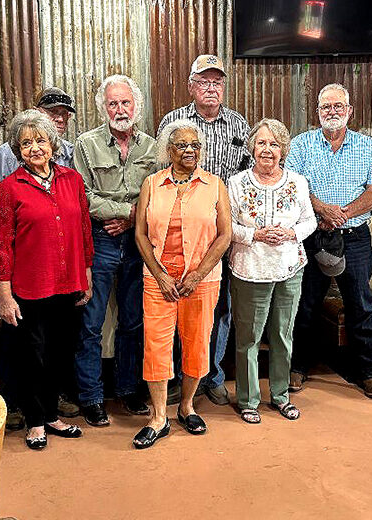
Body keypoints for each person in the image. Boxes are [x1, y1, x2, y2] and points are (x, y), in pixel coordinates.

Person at [0, 109, 94, 450]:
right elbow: (2, 243)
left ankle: (52, 415)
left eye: (41, 140)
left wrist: (88, 273)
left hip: (69, 282)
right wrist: (5, 295)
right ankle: (34, 421)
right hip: (29, 287)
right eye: (27, 143)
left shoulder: (72, 180)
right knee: (31, 355)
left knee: (61, 352)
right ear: (17, 150)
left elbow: (83, 231)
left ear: (53, 143)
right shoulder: (10, 188)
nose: (36, 148)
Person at [132, 119, 231, 448]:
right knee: (156, 346)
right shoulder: (152, 183)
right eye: (182, 145)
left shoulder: (215, 185)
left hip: (201, 281)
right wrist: (160, 274)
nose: (190, 150)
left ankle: (186, 406)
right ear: (168, 150)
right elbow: (141, 235)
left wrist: (198, 274)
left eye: (195, 145)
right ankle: (158, 416)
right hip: (158, 280)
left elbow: (225, 235)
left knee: (197, 343)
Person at [157, 54, 249, 406]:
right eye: (204, 81)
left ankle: (211, 374)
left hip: (221, 235)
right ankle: (183, 376)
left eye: (217, 82)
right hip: (179, 233)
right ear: (191, 86)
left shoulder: (239, 125)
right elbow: (158, 173)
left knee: (219, 308)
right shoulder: (173, 121)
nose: (211, 88)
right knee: (180, 304)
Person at [287, 83, 372, 399]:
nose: (332, 111)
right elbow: (294, 186)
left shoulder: (367, 146)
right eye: (326, 107)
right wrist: (323, 210)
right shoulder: (300, 145)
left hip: (355, 237)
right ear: (317, 112)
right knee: (305, 305)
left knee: (361, 305)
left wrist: (342, 214)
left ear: (349, 110)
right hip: (312, 237)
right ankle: (298, 367)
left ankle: (369, 373)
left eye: (338, 106)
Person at [73, 75, 158, 427]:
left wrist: (130, 220)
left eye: (125, 102)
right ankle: (91, 397)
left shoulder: (152, 147)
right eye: (112, 103)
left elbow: (156, 194)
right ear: (103, 108)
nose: (119, 109)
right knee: (90, 324)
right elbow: (83, 196)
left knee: (133, 321)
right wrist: (127, 213)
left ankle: (128, 390)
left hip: (139, 243)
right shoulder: (86, 144)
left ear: (135, 106)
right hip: (100, 240)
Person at [228, 119, 317, 423]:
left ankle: (280, 395)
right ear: (252, 147)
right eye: (262, 143)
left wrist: (291, 233)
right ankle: (248, 399)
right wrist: (255, 235)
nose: (267, 149)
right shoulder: (236, 183)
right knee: (249, 338)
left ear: (283, 150)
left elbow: (310, 221)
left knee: (282, 335)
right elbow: (226, 226)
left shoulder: (298, 182)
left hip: (289, 267)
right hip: (250, 267)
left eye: (274, 144)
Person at [0, 87, 76, 194]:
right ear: (36, 112)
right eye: (52, 112)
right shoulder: (7, 153)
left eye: (64, 113)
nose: (60, 119)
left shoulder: (70, 151)